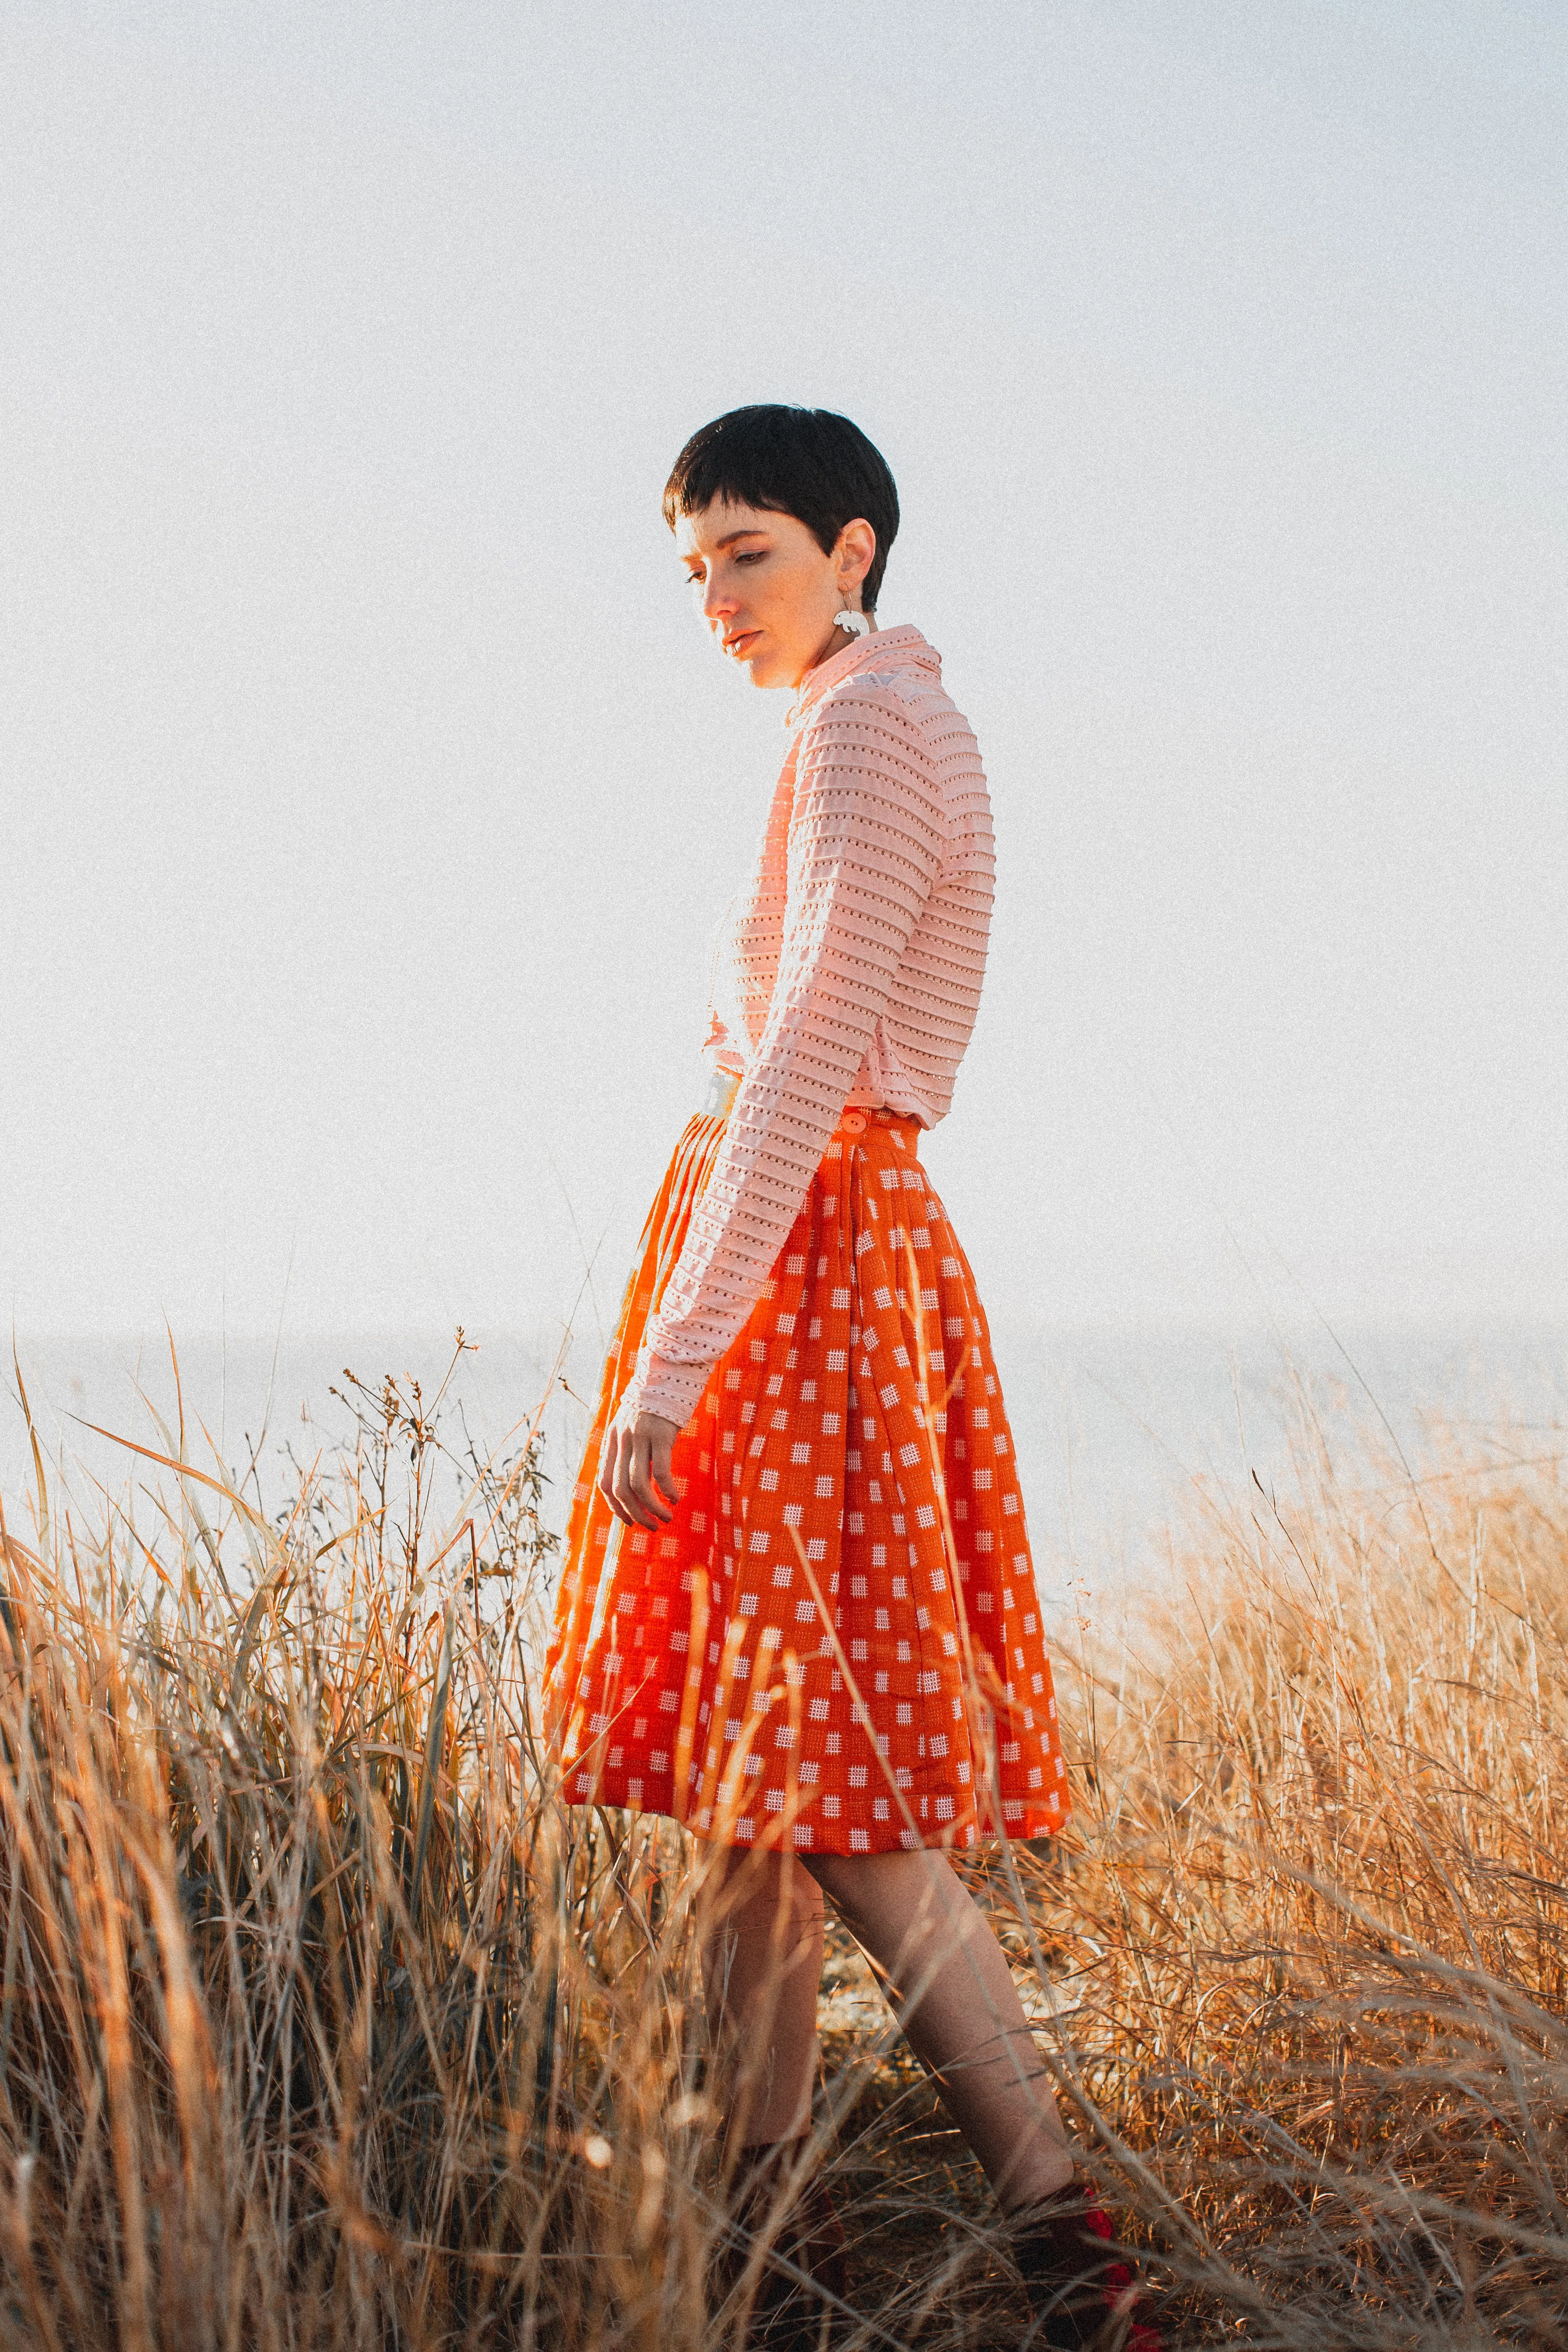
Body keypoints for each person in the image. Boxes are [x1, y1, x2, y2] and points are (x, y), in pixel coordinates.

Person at [544, 406, 1159, 2349]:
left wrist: (676, 1355)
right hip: (819, 1256)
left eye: (752, 554)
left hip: (804, 1268)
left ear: (856, 549)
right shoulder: (878, 722)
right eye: (698, 567)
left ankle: (1079, 2263)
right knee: (753, 1803)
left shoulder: (868, 727)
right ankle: (761, 2255)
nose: (719, 599)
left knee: (852, 1814)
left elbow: (809, 1048)